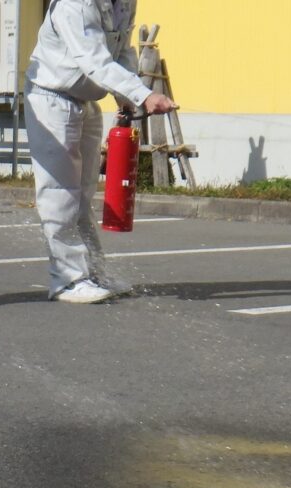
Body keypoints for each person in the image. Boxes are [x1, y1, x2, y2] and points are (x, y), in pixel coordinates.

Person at [25, 0, 177, 304]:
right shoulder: (74, 4)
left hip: (84, 101)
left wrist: (125, 94)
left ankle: (93, 273)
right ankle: (67, 281)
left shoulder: (124, 2)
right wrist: (143, 94)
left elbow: (122, 50)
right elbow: (93, 60)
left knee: (82, 195)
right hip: (52, 98)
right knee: (60, 194)